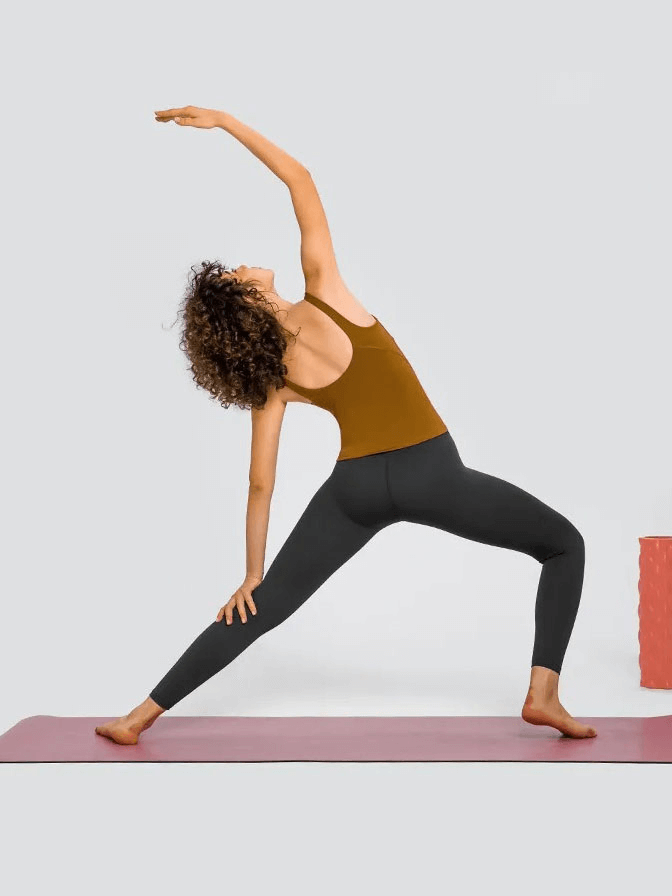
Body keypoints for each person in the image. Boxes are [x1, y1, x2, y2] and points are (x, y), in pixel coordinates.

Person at [95, 105, 596, 746]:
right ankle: (544, 693)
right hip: (431, 471)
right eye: (237, 272)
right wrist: (225, 123)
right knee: (563, 545)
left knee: (264, 607)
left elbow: (259, 482)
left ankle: (138, 717)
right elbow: (300, 179)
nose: (246, 263)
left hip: (356, 487)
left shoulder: (272, 380)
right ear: (247, 299)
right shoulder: (325, 288)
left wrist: (254, 574)